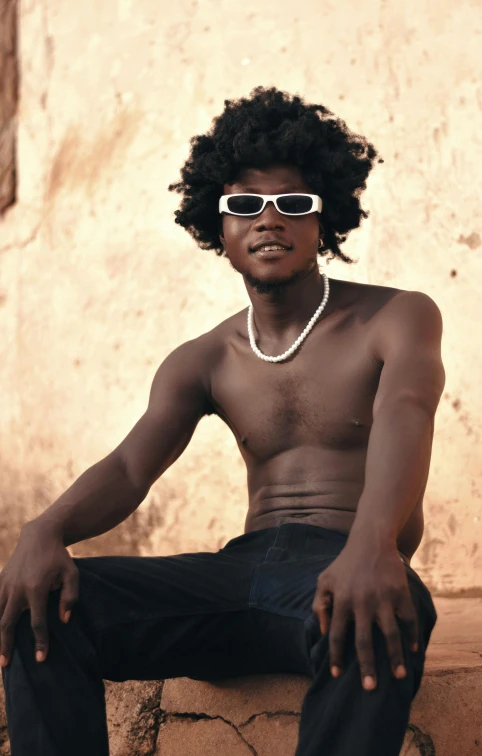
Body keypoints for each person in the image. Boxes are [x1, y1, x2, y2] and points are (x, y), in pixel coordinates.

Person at [0, 87, 445, 756]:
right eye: (246, 205)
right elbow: (128, 468)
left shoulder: (395, 317)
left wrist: (374, 545)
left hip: (340, 564)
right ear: (221, 228)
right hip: (235, 576)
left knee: (381, 618)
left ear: (325, 220)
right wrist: (45, 529)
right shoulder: (204, 358)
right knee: (35, 606)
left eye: (295, 203)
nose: (270, 219)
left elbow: (407, 413)